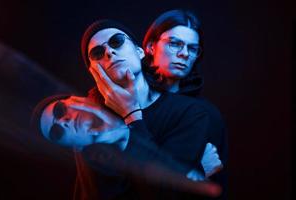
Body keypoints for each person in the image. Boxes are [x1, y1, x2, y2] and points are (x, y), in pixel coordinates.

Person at [32, 19, 222, 199]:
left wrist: (131, 116)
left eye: (117, 41)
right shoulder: (87, 126)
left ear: (140, 51)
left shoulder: (190, 112)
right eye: (97, 53)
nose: (109, 52)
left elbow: (169, 194)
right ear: (93, 71)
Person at [142, 9, 228, 199]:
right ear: (150, 46)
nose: (184, 54)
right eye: (174, 44)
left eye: (192, 48)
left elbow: (217, 185)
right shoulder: (131, 101)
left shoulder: (207, 115)